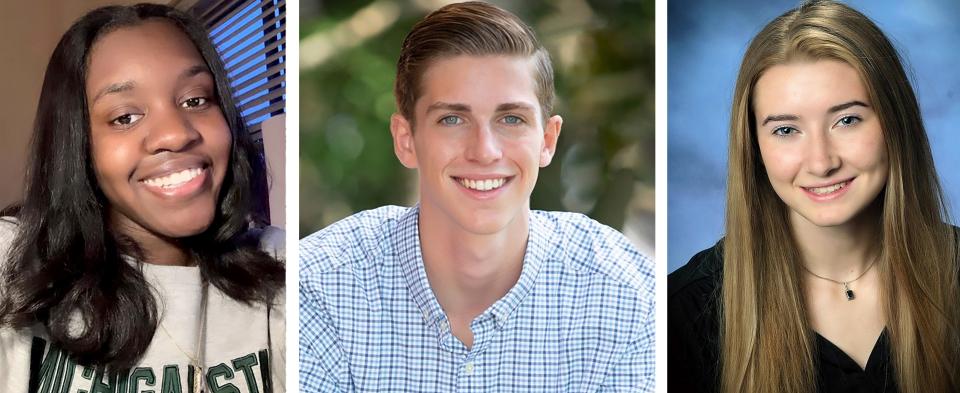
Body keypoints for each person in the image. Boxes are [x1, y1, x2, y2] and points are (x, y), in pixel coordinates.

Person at [299, 2, 654, 391]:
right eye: (452, 119)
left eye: (511, 119)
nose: (484, 151)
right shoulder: (318, 288)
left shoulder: (627, 296)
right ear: (406, 140)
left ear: (547, 141)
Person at [668, 1, 960, 392]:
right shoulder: (681, 316)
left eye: (847, 120)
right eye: (786, 130)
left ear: (895, 122)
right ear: (753, 146)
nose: (821, 162)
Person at [0, 4, 286, 392]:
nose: (175, 134)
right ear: (78, 144)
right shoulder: (14, 261)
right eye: (124, 117)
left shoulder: (280, 268)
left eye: (195, 100)